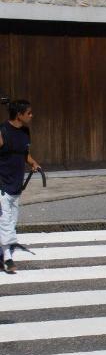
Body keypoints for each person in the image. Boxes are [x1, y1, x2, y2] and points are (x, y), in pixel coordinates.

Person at [0, 100, 40, 273]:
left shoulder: (25, 132)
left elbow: (25, 154)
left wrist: (33, 163)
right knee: (5, 221)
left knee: (12, 220)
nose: (32, 116)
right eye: (29, 113)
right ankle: (7, 258)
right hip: (2, 183)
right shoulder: (2, 131)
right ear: (19, 114)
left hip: (16, 183)